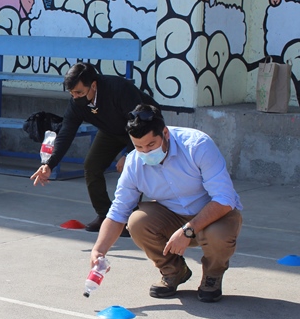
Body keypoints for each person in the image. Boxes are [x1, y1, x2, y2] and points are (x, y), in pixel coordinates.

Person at [90, 104, 243, 302]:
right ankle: (174, 271)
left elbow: (224, 199)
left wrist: (188, 230)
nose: (146, 151)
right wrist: (98, 251)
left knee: (218, 234)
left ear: (165, 133)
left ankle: (213, 275)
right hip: (171, 216)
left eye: (151, 145)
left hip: (214, 216)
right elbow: (118, 211)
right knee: (136, 222)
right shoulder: (134, 163)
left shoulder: (197, 145)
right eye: (138, 147)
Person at [30, 62, 160, 234]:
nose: (76, 97)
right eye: (72, 93)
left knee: (132, 168)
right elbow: (66, 132)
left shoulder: (119, 89)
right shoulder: (77, 103)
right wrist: (50, 164)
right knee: (91, 166)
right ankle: (106, 216)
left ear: (93, 85)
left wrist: (130, 152)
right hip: (111, 130)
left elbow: (139, 123)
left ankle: (131, 219)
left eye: (79, 92)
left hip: (143, 128)